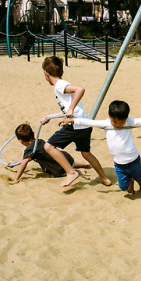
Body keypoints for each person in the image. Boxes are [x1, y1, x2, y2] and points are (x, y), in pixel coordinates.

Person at [60, 100, 141, 194]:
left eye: (121, 122)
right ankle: (130, 181)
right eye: (114, 121)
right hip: (119, 164)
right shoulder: (106, 124)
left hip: (133, 160)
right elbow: (90, 122)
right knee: (123, 187)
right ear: (109, 116)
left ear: (127, 117)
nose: (118, 125)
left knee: (139, 177)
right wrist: (72, 121)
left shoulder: (129, 122)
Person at [40, 56, 112, 187]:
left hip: (75, 125)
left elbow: (80, 89)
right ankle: (104, 178)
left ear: (46, 73)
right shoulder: (61, 85)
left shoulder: (59, 85)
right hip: (84, 124)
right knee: (86, 153)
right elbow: (67, 109)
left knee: (48, 147)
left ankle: (71, 172)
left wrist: (71, 109)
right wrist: (49, 116)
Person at [8, 124, 90, 184]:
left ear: (20, 141)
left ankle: (78, 172)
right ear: (32, 133)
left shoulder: (29, 149)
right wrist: (15, 163)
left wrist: (16, 179)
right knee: (67, 162)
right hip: (67, 158)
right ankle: (86, 164)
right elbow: (26, 158)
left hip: (59, 168)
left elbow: (24, 163)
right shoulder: (39, 141)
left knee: (57, 171)